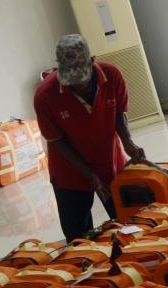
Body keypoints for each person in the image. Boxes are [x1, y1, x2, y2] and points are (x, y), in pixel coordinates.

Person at [34, 34, 146, 243]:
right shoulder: (45, 95)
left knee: (129, 224)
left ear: (92, 60)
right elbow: (56, 139)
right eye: (73, 80)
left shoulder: (112, 75)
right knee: (78, 237)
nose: (80, 85)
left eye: (83, 77)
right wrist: (88, 174)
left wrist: (128, 142)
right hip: (70, 172)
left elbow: (119, 112)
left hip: (109, 162)